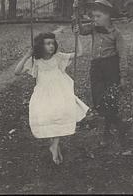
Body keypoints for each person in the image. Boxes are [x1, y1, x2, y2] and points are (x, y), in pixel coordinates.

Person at [14, 31, 89, 165]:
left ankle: (54, 145)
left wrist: (77, 37)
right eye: (47, 44)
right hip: (43, 93)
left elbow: (79, 53)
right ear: (40, 46)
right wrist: (27, 55)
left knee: (60, 114)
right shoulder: (36, 61)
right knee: (48, 116)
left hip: (60, 91)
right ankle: (54, 144)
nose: (51, 46)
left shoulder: (58, 57)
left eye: (52, 43)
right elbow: (17, 72)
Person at [75, 0, 128, 148]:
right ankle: (120, 125)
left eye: (98, 16)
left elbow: (123, 55)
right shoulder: (92, 28)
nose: (94, 19)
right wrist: (77, 18)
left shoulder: (117, 34)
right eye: (93, 17)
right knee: (98, 100)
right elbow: (81, 30)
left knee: (110, 100)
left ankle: (107, 132)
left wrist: (123, 76)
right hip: (96, 67)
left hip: (111, 68)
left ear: (108, 16)